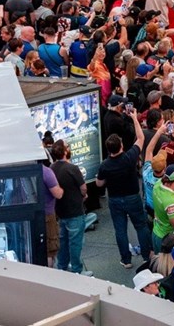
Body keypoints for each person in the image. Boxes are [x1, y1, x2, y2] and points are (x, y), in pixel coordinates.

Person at [95, 109, 152, 269]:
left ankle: (126, 260)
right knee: (140, 226)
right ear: (121, 146)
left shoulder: (105, 166)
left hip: (114, 200)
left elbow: (99, 184)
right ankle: (147, 256)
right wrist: (134, 118)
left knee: (120, 230)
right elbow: (140, 138)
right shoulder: (129, 157)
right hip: (132, 197)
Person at [50, 140, 91, 276]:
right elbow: (83, 188)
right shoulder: (73, 169)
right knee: (75, 242)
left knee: (63, 241)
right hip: (75, 211)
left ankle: (62, 267)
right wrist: (83, 196)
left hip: (60, 212)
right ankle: (76, 270)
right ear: (65, 151)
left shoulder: (51, 168)